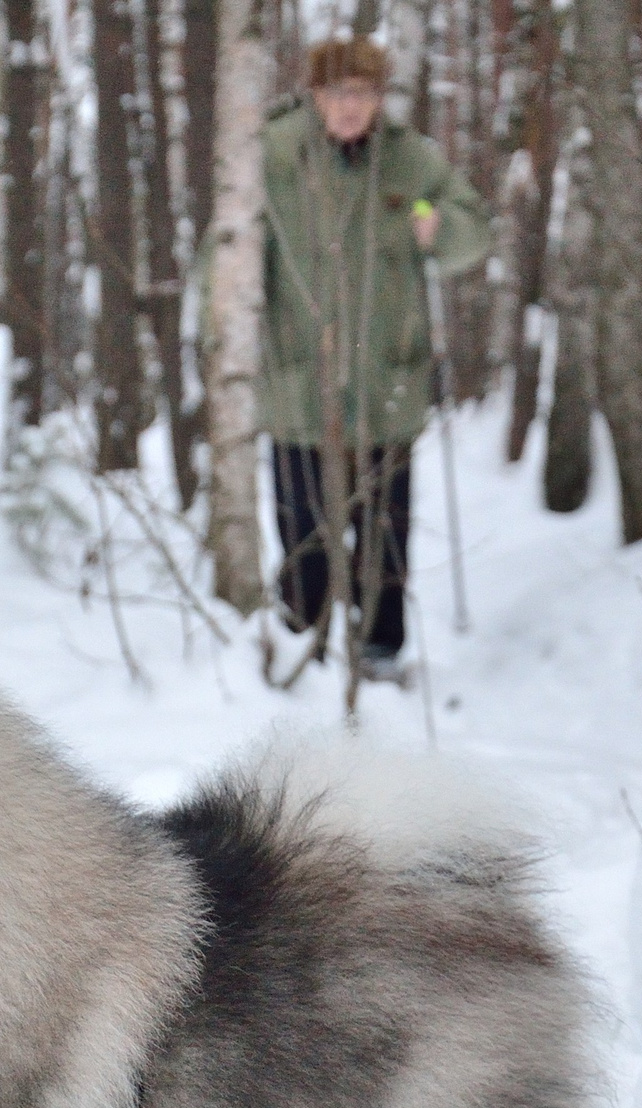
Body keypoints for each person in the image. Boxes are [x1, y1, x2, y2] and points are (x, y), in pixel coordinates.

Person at [258, 39, 489, 681]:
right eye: (338, 93)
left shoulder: (410, 162)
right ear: (315, 97)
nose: (350, 106)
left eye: (363, 93)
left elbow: (472, 232)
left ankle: (381, 651)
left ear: (380, 99)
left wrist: (437, 226)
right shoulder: (275, 155)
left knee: (386, 532)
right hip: (297, 383)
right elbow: (221, 255)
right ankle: (306, 641)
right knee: (304, 529)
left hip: (389, 381)